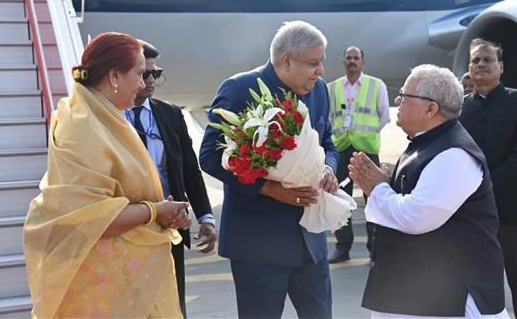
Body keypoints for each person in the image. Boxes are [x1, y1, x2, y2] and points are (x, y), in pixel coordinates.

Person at [23, 32, 189, 318]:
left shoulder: (105, 117)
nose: (142, 84)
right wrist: (154, 211)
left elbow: (124, 197)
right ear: (114, 76)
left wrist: (165, 213)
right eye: (138, 74)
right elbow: (93, 217)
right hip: (102, 290)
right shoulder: (81, 126)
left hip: (127, 278)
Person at [199, 21, 339, 319]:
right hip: (258, 246)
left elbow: (328, 141)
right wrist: (269, 189)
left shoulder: (319, 91)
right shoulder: (239, 89)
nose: (321, 71)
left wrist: (328, 168)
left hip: (310, 242)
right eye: (313, 63)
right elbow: (210, 156)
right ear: (286, 60)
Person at [349, 64, 507, 317]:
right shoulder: (428, 142)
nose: (397, 100)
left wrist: (377, 187)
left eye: (405, 95)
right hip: (421, 292)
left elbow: (416, 216)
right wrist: (388, 183)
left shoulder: (454, 155)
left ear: (430, 108)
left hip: (448, 297)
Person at [126, 40, 217, 317]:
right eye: (144, 73)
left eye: (156, 72)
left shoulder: (170, 114)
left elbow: (190, 170)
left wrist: (206, 218)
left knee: (173, 305)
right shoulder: (107, 118)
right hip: (129, 230)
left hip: (171, 229)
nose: (151, 79)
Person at [459, 38, 517, 318]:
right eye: (476, 61)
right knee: (476, 281)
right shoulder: (459, 107)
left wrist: (484, 186)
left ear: (500, 67)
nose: (481, 65)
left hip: (510, 208)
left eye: (487, 60)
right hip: (472, 211)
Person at [326, 45, 390, 264]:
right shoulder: (331, 88)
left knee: (373, 199)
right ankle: (342, 247)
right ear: (343, 62)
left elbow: (384, 116)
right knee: (339, 199)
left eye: (356, 57)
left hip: (367, 150)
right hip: (341, 147)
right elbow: (327, 118)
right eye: (348, 58)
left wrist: (364, 135)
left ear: (362, 62)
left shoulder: (376, 85)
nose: (352, 61)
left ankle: (376, 249)